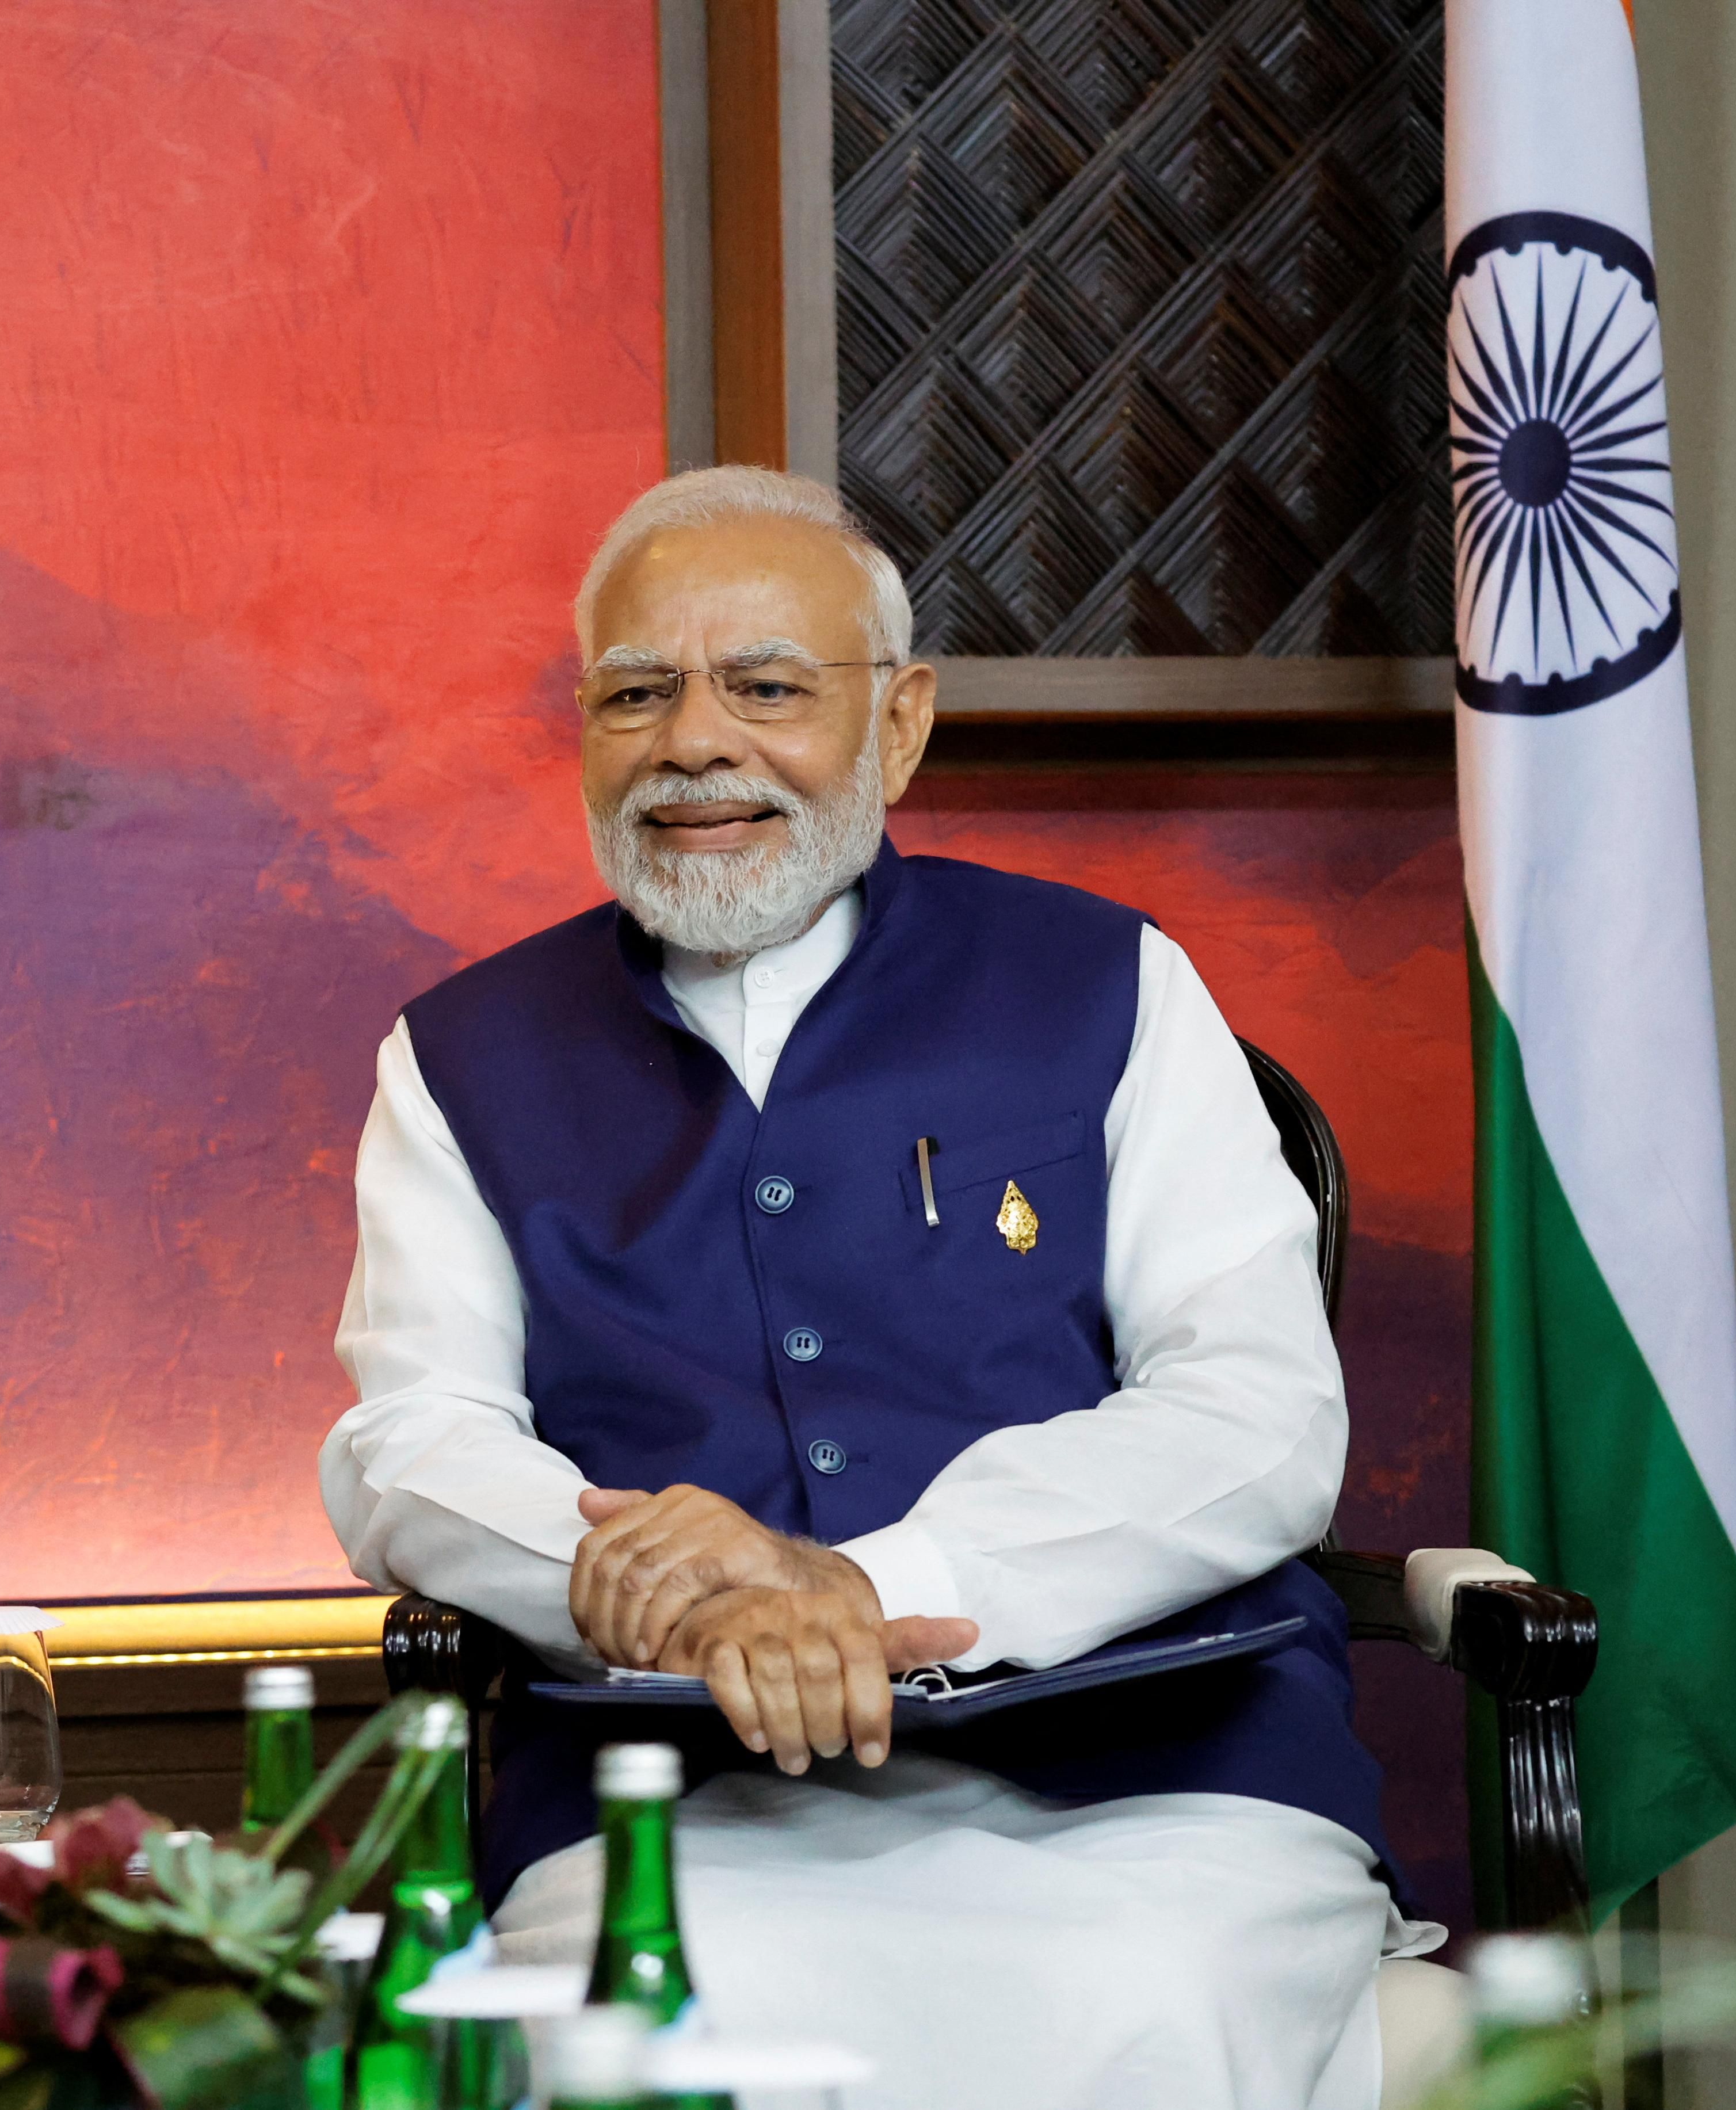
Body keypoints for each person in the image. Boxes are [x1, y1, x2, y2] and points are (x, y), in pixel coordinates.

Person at [319, 466, 1443, 2109]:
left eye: (766, 686)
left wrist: (868, 1581)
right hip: (678, 1794)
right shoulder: (457, 1056)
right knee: (656, 2026)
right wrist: (651, 1578)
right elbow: (406, 1433)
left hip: (1159, 1774)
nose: (694, 740)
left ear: (899, 724)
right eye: (637, 692)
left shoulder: (1111, 983)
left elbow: (1257, 1413)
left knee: (1136, 1989)